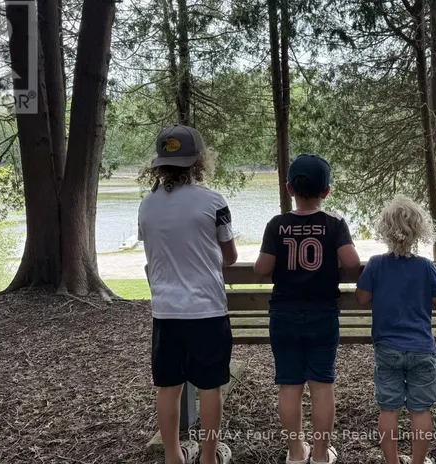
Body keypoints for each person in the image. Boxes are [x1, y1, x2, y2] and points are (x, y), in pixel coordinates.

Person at [138, 125, 237, 464]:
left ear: (159, 163)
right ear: (198, 161)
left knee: (168, 387)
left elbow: (153, 249)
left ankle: (173, 457)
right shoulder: (213, 202)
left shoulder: (147, 205)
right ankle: (209, 457)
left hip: (165, 311)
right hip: (206, 310)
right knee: (210, 388)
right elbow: (229, 257)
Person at [254, 153, 361, 464]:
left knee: (289, 385)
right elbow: (353, 263)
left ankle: (296, 452)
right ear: (326, 191)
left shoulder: (277, 224)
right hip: (322, 315)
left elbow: (262, 268)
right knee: (322, 385)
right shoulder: (334, 223)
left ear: (289, 188)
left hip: (284, 316)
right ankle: (321, 455)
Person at [355, 195, 436, 464]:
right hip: (421, 348)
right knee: (421, 410)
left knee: (389, 409)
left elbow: (362, 298)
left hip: (387, 348)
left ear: (384, 230)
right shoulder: (426, 266)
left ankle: (393, 462)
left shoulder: (376, 264)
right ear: (419, 231)